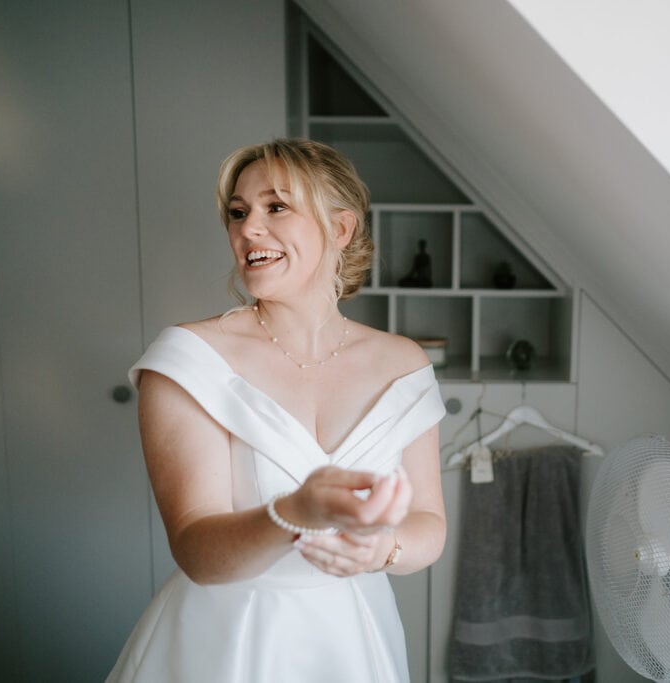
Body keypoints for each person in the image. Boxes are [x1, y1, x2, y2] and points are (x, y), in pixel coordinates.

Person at [107, 139, 447, 682]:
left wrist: (384, 549)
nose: (248, 229)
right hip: (228, 641)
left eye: (276, 207)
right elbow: (195, 548)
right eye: (238, 213)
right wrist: (294, 513)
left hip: (354, 635)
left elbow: (429, 524)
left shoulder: (402, 363)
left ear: (341, 229)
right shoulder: (188, 359)